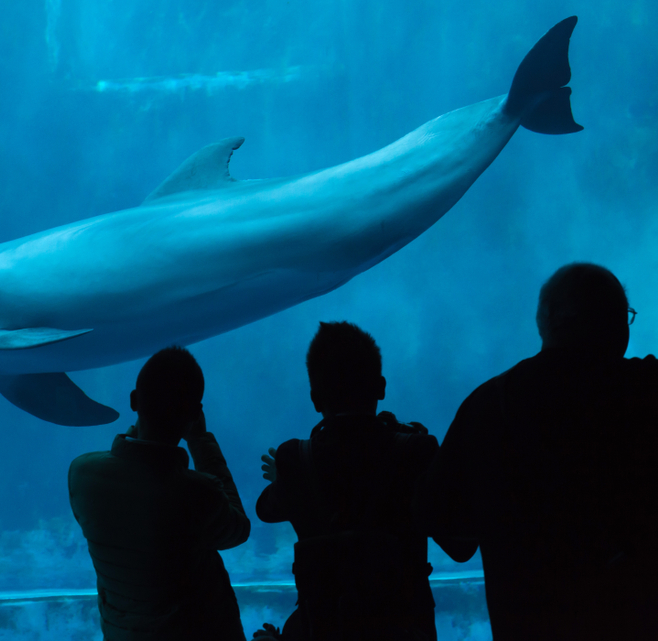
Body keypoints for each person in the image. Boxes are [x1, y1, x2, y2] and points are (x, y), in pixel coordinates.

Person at [413, 262, 658, 639]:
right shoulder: (645, 393)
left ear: (545, 320)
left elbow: (451, 533)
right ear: (617, 327)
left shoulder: (488, 406)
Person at [255, 322, 453, 641]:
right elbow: (460, 545)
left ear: (315, 398)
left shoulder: (295, 459)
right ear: (381, 387)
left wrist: (286, 479)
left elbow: (265, 509)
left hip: (324, 629)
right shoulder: (416, 451)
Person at [69, 346, 250, 641]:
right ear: (194, 414)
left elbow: (132, 473)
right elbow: (237, 529)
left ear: (133, 400)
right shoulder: (197, 493)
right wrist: (201, 442)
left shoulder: (82, 475)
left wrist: (138, 432)